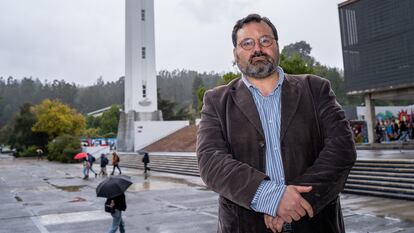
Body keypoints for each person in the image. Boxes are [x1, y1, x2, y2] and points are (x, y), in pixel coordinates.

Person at [196, 14, 356, 233]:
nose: (257, 49)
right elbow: (211, 161)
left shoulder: (316, 89)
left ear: (277, 46)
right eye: (247, 43)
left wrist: (295, 203)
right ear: (236, 53)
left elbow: (342, 149)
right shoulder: (216, 101)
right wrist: (271, 197)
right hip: (245, 226)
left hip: (316, 224)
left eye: (265, 40)